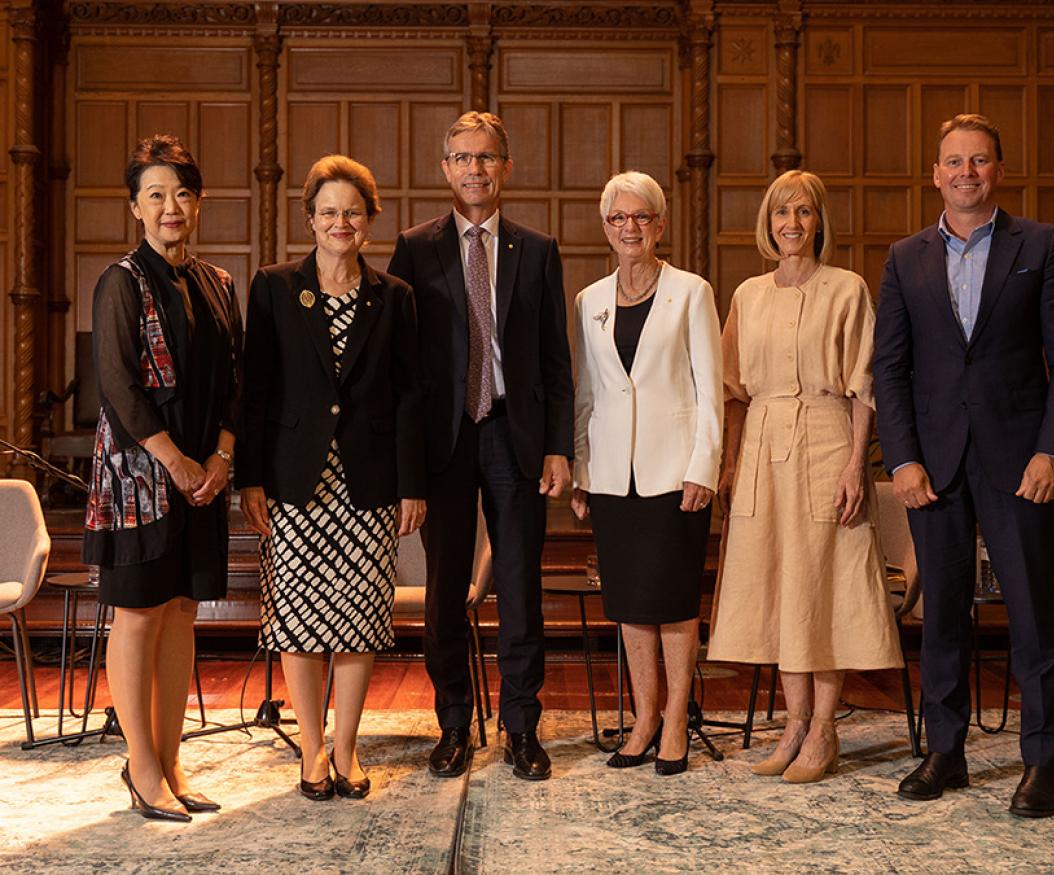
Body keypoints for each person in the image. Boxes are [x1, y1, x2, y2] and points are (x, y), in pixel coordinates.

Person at [873, 114, 1054, 818]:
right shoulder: (905, 258)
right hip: (932, 465)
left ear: (999, 169)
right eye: (954, 162)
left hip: (1021, 461)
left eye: (980, 161)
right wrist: (900, 458)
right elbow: (891, 369)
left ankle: (1041, 760)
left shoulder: (1043, 245)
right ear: (935, 173)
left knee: (1030, 615)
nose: (967, 172)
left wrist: (1053, 449)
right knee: (941, 618)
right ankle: (945, 751)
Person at [388, 111, 573, 781]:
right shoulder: (415, 247)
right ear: (445, 168)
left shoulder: (538, 249)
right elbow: (402, 369)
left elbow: (556, 358)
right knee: (443, 595)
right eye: (462, 157)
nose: (474, 168)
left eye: (487, 157)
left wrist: (559, 448)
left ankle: (521, 727)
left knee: (521, 591)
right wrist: (407, 463)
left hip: (513, 437)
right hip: (444, 441)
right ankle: (454, 725)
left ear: (506, 167)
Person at [236, 155, 426, 801]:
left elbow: (408, 394)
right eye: (327, 211)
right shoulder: (273, 287)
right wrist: (250, 479)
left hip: (368, 481)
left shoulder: (394, 296)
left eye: (351, 210)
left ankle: (347, 748)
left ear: (369, 219)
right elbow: (255, 388)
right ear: (310, 220)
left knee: (357, 617)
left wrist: (412, 483)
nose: (339, 222)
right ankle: (311, 750)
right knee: (298, 621)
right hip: (295, 480)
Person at [707, 169, 903, 784]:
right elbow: (733, 389)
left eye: (804, 212)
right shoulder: (746, 295)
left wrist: (856, 466)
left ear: (820, 221)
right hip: (764, 443)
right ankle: (792, 723)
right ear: (767, 224)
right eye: (781, 213)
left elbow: (865, 386)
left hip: (825, 440)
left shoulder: (846, 290)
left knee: (824, 585)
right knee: (778, 586)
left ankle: (823, 727)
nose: (792, 223)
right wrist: (732, 463)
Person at [83, 135, 242, 822]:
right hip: (140, 477)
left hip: (205, 474)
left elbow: (239, 378)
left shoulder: (218, 282)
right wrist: (175, 460)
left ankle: (172, 759)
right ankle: (140, 763)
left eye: (181, 193)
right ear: (136, 208)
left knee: (182, 610)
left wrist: (221, 459)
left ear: (197, 203)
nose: (171, 206)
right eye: (156, 195)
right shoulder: (121, 280)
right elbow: (118, 383)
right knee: (140, 611)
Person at [571, 171, 722, 776]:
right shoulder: (589, 301)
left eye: (641, 217)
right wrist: (583, 472)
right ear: (605, 227)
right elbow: (586, 394)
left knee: (674, 601)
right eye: (618, 218)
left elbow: (711, 390)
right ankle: (644, 718)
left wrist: (703, 466)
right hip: (612, 475)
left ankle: (679, 719)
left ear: (660, 225)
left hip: (675, 472)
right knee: (631, 602)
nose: (629, 228)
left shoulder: (692, 291)